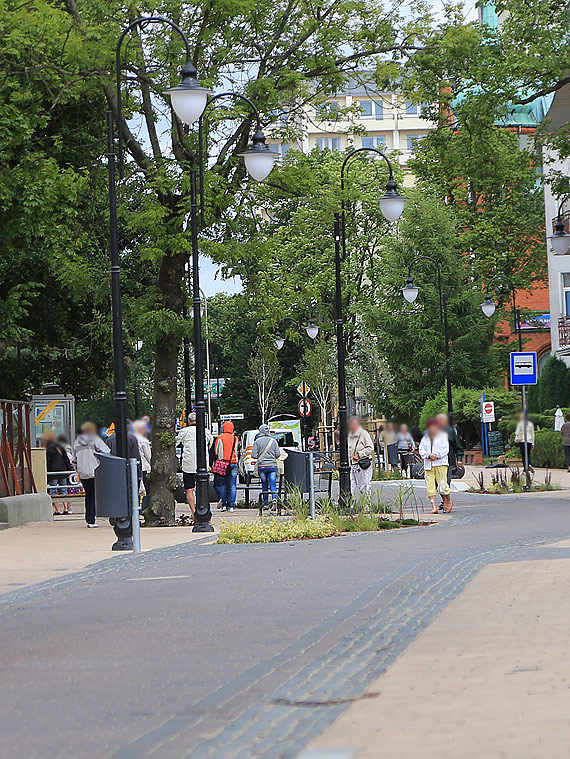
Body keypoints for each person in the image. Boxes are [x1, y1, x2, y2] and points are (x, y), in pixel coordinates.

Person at [175, 413, 213, 518]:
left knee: (189, 489)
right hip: (202, 463)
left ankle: (194, 511)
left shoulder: (184, 432)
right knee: (202, 487)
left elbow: (175, 443)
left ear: (188, 421)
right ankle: (204, 508)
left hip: (188, 464)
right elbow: (210, 444)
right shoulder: (206, 431)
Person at [73, 422, 110, 527]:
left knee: (88, 495)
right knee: (94, 495)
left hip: (83, 472)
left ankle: (88, 519)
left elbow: (74, 460)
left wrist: (78, 470)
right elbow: (107, 452)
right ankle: (92, 519)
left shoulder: (77, 442)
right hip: (95, 471)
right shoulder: (95, 440)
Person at [419, 418, 452, 514]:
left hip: (440, 464)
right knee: (430, 487)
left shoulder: (442, 437)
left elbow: (445, 450)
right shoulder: (425, 438)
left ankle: (448, 501)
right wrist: (428, 455)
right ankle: (434, 507)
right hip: (429, 465)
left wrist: (436, 456)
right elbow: (421, 450)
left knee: (442, 486)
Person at [251, 424, 283, 510]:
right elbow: (278, 454)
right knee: (273, 484)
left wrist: (260, 457)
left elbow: (253, 455)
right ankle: (274, 498)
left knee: (264, 485)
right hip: (272, 465)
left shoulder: (257, 441)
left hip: (262, 467)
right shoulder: (273, 441)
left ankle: (265, 504)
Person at [42, 430, 73, 516]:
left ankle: (56, 510)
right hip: (63, 471)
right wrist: (69, 470)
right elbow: (66, 459)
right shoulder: (60, 447)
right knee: (64, 490)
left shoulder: (48, 449)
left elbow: (47, 462)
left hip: (53, 472)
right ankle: (66, 509)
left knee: (53, 490)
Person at [213, 421, 239, 512]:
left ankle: (224, 505)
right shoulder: (235, 438)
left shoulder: (220, 438)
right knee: (232, 485)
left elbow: (216, 451)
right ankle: (231, 506)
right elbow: (236, 449)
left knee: (223, 485)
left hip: (223, 463)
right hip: (233, 463)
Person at [348, 416, 374, 497]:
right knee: (350, 486)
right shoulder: (349, 435)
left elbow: (370, 448)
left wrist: (359, 454)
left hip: (362, 464)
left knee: (364, 486)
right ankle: (349, 505)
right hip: (352, 464)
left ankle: (366, 507)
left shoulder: (363, 434)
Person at [436, 412, 464, 487]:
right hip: (435, 462)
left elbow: (457, 445)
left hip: (448, 461)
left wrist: (459, 458)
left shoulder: (450, 431)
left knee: (446, 483)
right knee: (435, 483)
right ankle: (434, 497)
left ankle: (446, 498)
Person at [132, 419, 153, 513]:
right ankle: (144, 508)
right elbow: (148, 455)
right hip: (144, 467)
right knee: (148, 490)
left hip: (134, 466)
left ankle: (135, 507)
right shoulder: (143, 441)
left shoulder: (131, 438)